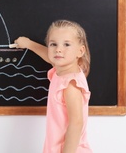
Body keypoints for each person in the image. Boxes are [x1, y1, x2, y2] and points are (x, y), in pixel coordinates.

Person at [14, 19, 92, 153]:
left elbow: (76, 123)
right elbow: (50, 57)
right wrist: (29, 44)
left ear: (80, 51)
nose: (58, 50)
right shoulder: (63, 71)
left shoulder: (70, 85)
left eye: (66, 44)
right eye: (53, 44)